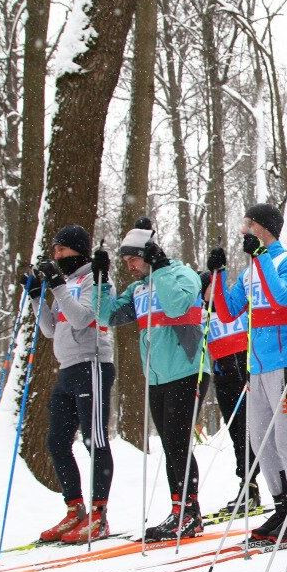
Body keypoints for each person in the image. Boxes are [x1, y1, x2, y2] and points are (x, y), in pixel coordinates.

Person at [94, 219, 206, 540]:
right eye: (125, 262)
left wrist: (160, 268)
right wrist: (101, 280)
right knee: (170, 445)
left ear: (150, 255)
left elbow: (175, 305)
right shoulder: (137, 289)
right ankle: (179, 510)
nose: (130, 267)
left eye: (134, 260)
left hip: (188, 369)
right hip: (157, 376)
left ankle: (190, 512)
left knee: (178, 442)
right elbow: (107, 316)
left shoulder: (182, 274)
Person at [209, 203, 287, 542]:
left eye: (248, 224)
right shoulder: (252, 269)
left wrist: (262, 257)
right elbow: (226, 312)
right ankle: (281, 507)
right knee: (260, 440)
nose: (242, 230)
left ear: (263, 228)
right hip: (257, 366)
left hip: (285, 361)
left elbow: (282, 299)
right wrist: (219, 274)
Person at [29, 225, 116, 544]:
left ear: (77, 250)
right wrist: (38, 296)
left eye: (61, 249)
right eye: (54, 250)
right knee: (56, 441)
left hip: (93, 363)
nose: (56, 255)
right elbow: (51, 329)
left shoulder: (96, 277)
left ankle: (99, 514)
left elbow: (83, 318)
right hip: (67, 367)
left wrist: (57, 287)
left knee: (95, 440)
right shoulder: (64, 283)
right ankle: (74, 508)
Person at [199, 270, 260, 519]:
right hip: (222, 376)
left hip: (244, 374)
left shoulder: (237, 307)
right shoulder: (202, 314)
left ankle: (254, 485)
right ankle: (247, 486)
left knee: (249, 431)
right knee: (237, 432)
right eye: (207, 288)